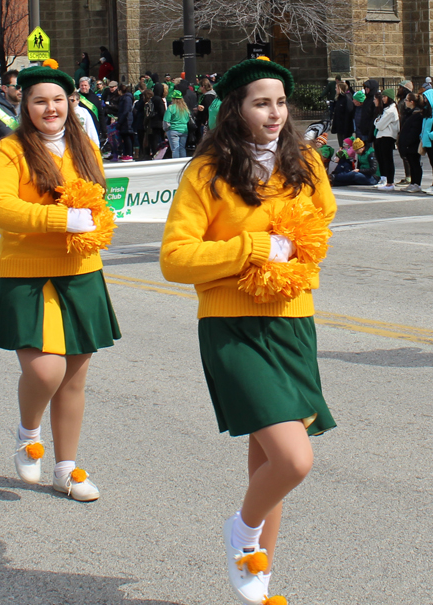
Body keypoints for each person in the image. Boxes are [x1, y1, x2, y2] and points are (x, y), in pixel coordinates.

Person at [160, 56, 337, 605]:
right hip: (231, 324)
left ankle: (258, 579)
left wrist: (298, 256)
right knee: (292, 459)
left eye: (281, 102)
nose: (275, 113)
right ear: (234, 108)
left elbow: (321, 224)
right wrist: (251, 249)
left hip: (291, 322)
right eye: (262, 102)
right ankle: (242, 530)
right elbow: (175, 260)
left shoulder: (305, 161)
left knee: (268, 462)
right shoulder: (206, 171)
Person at [0, 63, 121, 501]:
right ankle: (28, 434)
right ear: (25, 104)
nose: (51, 108)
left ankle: (66, 468)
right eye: (40, 100)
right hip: (27, 271)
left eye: (58, 100)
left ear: (71, 103)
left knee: (74, 378)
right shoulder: (11, 150)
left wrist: (95, 221)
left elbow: (100, 200)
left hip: (81, 271)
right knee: (46, 370)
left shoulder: (85, 149)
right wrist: (59, 218)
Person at [397, 93, 424, 193]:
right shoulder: (408, 113)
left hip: (412, 144)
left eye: (407, 100)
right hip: (406, 144)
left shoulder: (417, 114)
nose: (405, 102)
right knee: (411, 164)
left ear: (412, 102)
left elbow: (414, 131)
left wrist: (408, 142)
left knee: (415, 164)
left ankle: (417, 183)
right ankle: (413, 183)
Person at [374, 88, 399, 191]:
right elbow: (377, 121)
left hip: (387, 137)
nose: (383, 99)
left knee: (387, 159)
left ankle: (390, 182)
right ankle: (386, 180)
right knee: (383, 159)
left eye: (384, 97)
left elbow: (379, 125)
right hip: (382, 136)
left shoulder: (390, 111)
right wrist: (377, 121)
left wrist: (377, 122)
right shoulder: (386, 109)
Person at [396, 80, 414, 186]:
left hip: (404, 130)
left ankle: (409, 176)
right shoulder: (402, 101)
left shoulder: (404, 102)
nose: (399, 89)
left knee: (406, 155)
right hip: (401, 130)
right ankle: (408, 176)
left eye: (401, 87)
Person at [78, 77, 107, 142]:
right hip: (81, 127)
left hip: (94, 127)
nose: (83, 87)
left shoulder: (95, 97)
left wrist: (104, 130)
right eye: (82, 85)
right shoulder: (76, 98)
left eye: (85, 85)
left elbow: (100, 114)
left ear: (89, 86)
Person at [163, 89, 190, 158]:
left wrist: (166, 130)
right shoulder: (185, 108)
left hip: (173, 130)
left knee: (175, 149)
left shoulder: (171, 108)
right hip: (184, 130)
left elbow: (166, 121)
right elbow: (188, 119)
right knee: (182, 148)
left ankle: (175, 165)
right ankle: (183, 164)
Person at [331, 82, 354, 147]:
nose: (335, 89)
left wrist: (346, 129)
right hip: (340, 128)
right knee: (341, 147)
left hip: (345, 128)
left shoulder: (347, 98)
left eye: (336, 88)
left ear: (340, 89)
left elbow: (348, 114)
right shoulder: (339, 99)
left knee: (346, 147)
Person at [420, 88, 433, 194]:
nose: (424, 100)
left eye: (426, 98)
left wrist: (430, 135)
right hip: (428, 143)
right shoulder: (427, 112)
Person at [117, 83, 134, 161]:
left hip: (126, 120)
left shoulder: (126, 98)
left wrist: (120, 121)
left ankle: (129, 154)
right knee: (124, 136)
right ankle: (125, 153)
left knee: (127, 137)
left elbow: (126, 110)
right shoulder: (123, 98)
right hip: (124, 119)